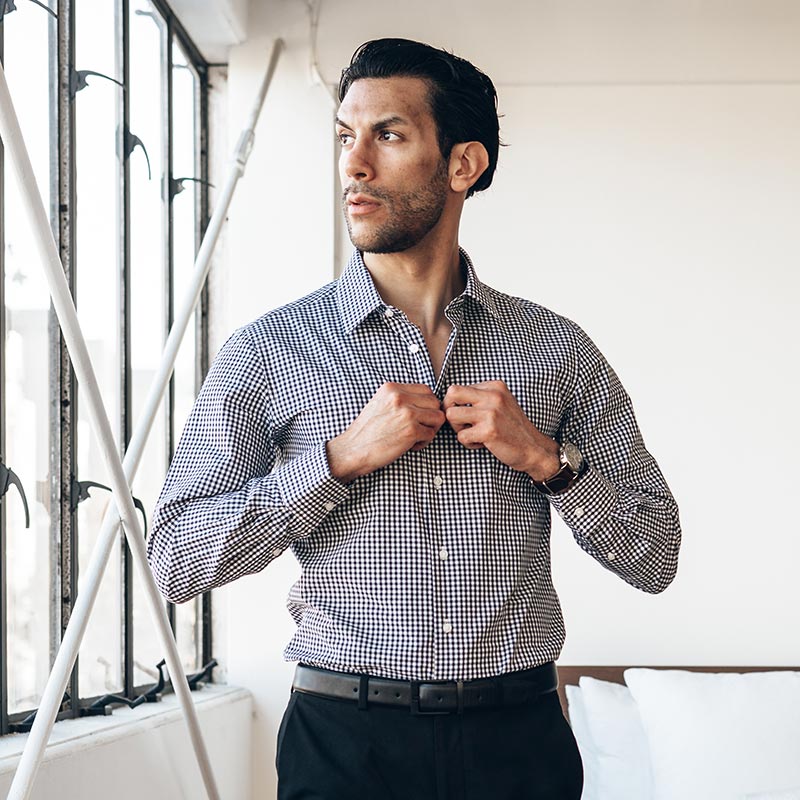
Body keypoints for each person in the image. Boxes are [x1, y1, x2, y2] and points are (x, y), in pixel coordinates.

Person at [149, 37, 681, 800]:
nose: (353, 164)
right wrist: (334, 461)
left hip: (518, 744)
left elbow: (656, 555)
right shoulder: (267, 351)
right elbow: (176, 560)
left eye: (387, 135)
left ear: (463, 165)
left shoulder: (558, 350)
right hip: (343, 745)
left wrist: (547, 462)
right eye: (344, 136)